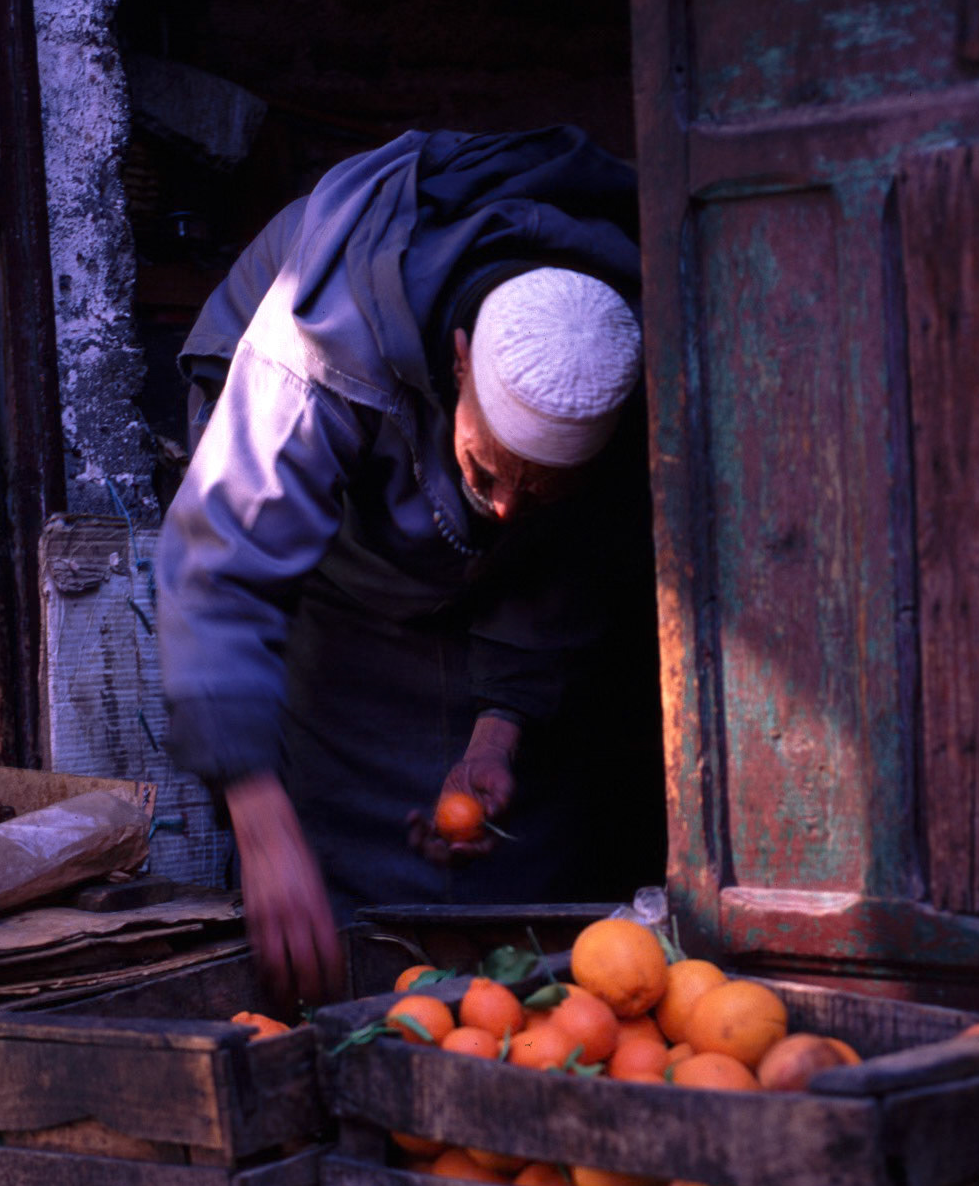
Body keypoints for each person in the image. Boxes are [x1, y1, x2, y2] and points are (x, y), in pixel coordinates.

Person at [156, 125, 651, 1011]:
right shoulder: (321, 337)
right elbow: (220, 570)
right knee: (339, 896)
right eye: (486, 470)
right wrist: (263, 828)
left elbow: (573, 555)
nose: (505, 511)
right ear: (459, 357)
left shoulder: (628, 329)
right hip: (342, 581)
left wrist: (498, 731)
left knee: (524, 896)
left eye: (541, 492)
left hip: (511, 602)